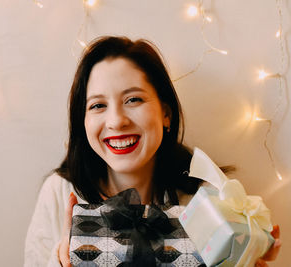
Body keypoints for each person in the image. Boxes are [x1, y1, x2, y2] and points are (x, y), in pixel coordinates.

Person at [24, 36, 281, 267]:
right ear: (83, 121)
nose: (116, 121)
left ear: (166, 114)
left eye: (133, 99)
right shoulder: (60, 192)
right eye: (98, 105)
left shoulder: (207, 200)